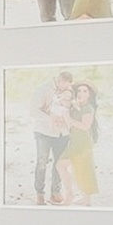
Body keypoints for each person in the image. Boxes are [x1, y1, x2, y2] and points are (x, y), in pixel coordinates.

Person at [29, 72, 73, 203]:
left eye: (68, 88)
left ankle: (55, 192)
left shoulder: (69, 91)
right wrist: (51, 119)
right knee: (42, 162)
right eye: (64, 87)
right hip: (44, 132)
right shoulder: (43, 90)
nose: (66, 90)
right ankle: (39, 193)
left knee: (59, 163)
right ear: (59, 81)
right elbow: (33, 111)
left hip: (62, 133)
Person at [59, 81, 101, 203]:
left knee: (64, 166)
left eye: (84, 91)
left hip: (82, 143)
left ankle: (72, 195)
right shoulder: (76, 106)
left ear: (89, 95)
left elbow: (85, 126)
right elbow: (69, 126)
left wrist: (70, 119)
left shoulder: (88, 108)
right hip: (75, 141)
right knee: (80, 168)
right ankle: (85, 198)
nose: (81, 93)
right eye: (79, 91)